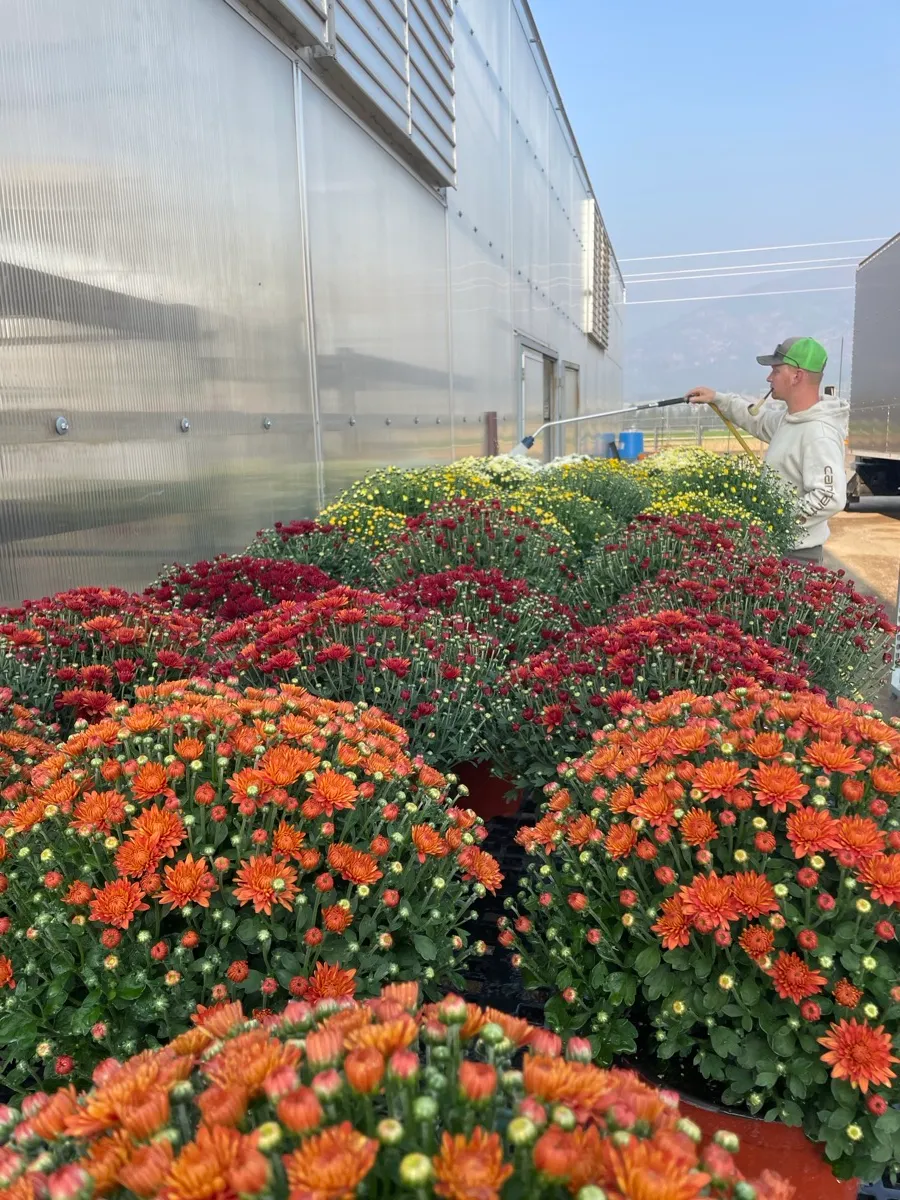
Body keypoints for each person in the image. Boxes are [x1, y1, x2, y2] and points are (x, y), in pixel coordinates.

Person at [687, 336, 848, 564]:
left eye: (775, 370)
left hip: (796, 557)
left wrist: (777, 518)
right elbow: (759, 420)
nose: (768, 377)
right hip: (779, 547)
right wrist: (718, 399)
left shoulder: (818, 432)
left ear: (796, 376)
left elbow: (829, 497)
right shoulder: (791, 419)